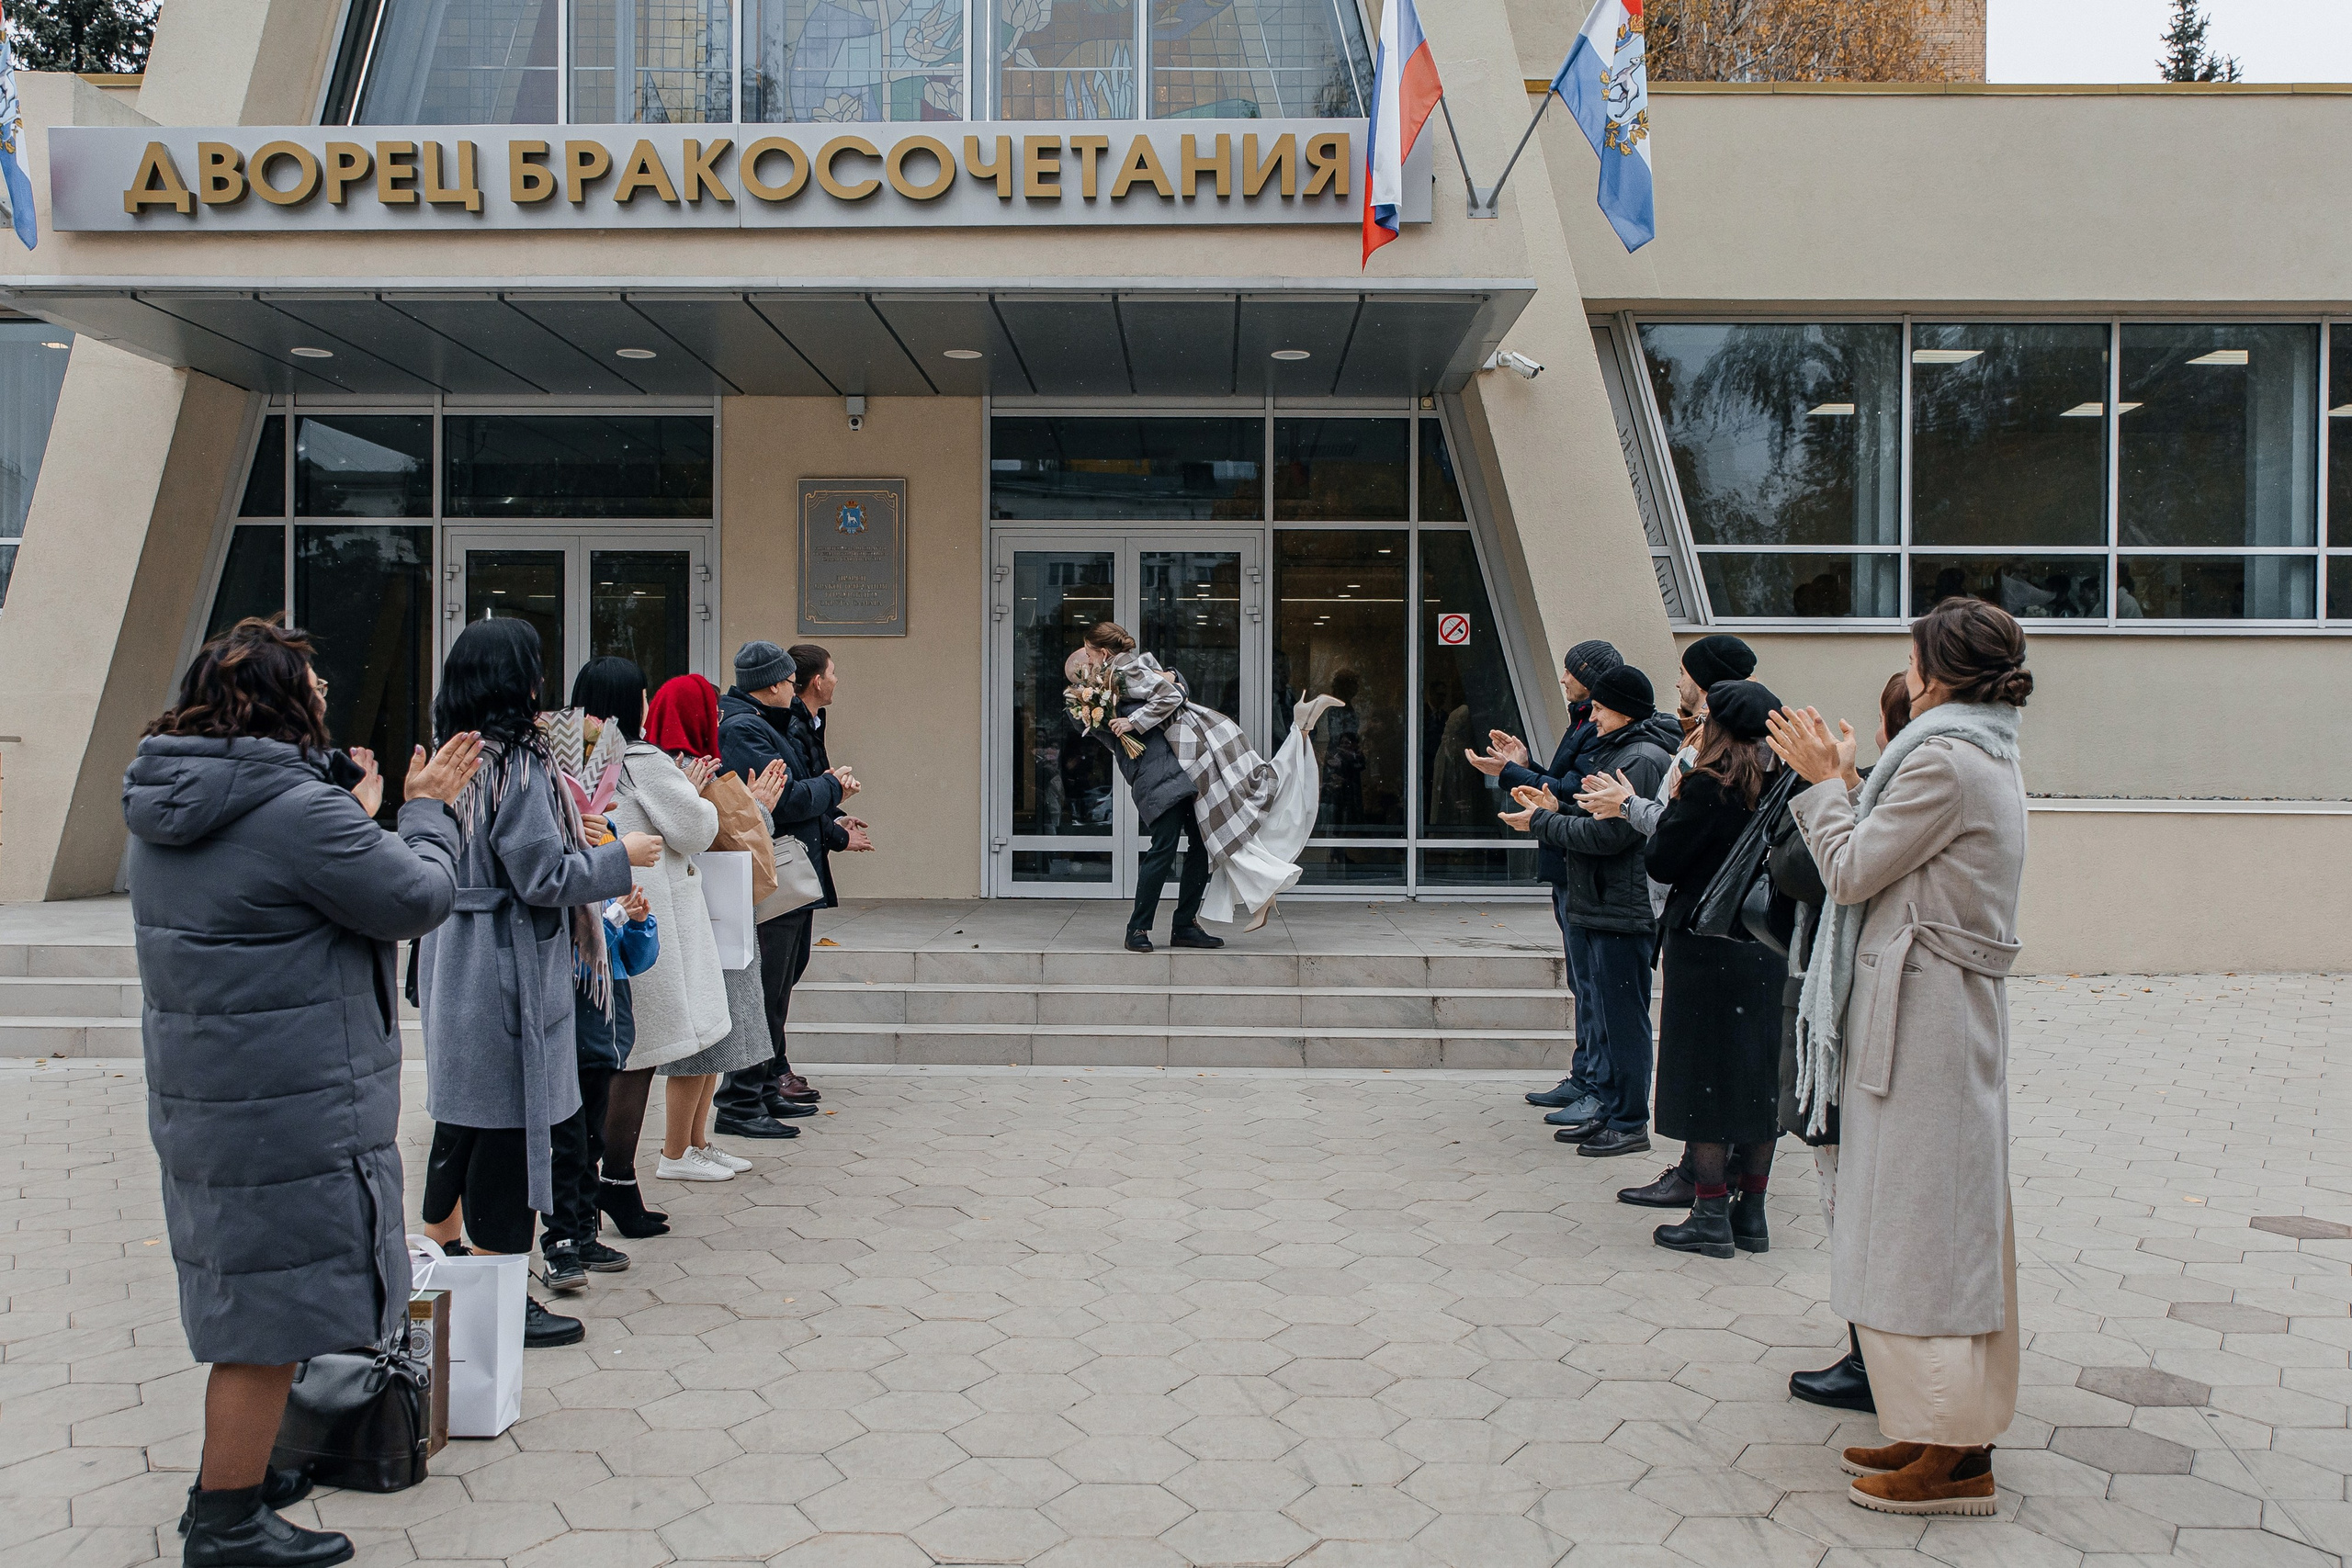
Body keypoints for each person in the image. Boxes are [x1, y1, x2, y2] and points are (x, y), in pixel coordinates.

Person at [125, 618, 480, 1568]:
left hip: (218, 1094)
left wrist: (349, 816)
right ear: (283, 703)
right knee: (268, 1321)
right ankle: (227, 1518)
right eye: (315, 686)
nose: (327, 697)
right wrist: (426, 812)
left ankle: (250, 1473)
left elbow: (284, 897)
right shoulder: (293, 811)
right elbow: (414, 898)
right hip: (291, 1098)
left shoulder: (178, 801)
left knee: (254, 1300)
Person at [1769, 599, 2031, 1517]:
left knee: (1928, 1233)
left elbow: (1847, 872)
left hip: (1928, 1019)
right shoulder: (1967, 750)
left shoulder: (1947, 761)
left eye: (1912, 656)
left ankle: (1959, 1455)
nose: (1905, 669)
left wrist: (1820, 782)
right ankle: (1934, 1427)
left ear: (1936, 670)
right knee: (1916, 1228)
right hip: (1920, 1010)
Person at [414, 619, 652, 1352]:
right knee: (511, 1147)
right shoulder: (518, 763)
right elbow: (541, 878)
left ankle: (448, 1269)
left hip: (453, 955)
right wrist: (620, 854)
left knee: (464, 1131)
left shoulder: (453, 757)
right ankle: (501, 1302)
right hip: (505, 969)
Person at [1576, 633, 1758, 1209]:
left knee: (1702, 1059)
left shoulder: (1710, 770)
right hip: (1739, 927)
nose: (1677, 682)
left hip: (1703, 924)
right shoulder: (1761, 762)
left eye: (1685, 671)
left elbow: (1669, 848)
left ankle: (1704, 1192)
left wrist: (1630, 807)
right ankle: (1743, 1201)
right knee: (1740, 1061)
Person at [1781, 670, 1912, 1416]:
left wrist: (1831, 784)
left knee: (1862, 1203)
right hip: (1854, 1020)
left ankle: (1874, 1359)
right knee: (1852, 1198)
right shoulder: (1895, 784)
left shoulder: (1921, 781)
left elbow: (1835, 872)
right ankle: (1868, 1351)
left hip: (1870, 1023)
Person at [1498, 663, 1677, 1159]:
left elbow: (1612, 834)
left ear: (1621, 709)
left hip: (1621, 906)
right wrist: (1555, 808)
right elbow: (1594, 813)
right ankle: (1610, 1108)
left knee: (1622, 1018)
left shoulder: (1640, 757)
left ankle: (1627, 1120)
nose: (1590, 717)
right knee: (1606, 1011)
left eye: (1598, 708)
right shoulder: (1618, 747)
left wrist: (1543, 822)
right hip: (1601, 901)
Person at [1641, 680, 1788, 1260]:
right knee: (1756, 1073)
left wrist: (1675, 801)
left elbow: (1662, 859)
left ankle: (1708, 1212)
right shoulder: (1788, 784)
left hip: (1706, 946)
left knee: (1704, 1070)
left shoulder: (1707, 785)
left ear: (1718, 726)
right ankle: (1752, 1213)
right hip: (1769, 942)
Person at [1071, 622, 1336, 945]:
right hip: (1158, 779)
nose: (1090, 662)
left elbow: (1173, 691)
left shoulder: (1130, 675)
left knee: (1201, 849)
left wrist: (1172, 680)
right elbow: (1113, 726)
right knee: (1164, 848)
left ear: (1102, 653)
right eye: (1083, 661)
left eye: (1089, 655)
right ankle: (1137, 929)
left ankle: (1184, 926)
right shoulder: (1087, 704)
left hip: (1193, 770)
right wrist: (1123, 704)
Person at [637, 673, 785, 1178]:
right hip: (701, 913)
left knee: (719, 1032)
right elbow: (701, 833)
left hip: (719, 912)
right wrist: (753, 805)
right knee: (700, 1039)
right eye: (710, 711)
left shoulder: (689, 766)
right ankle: (676, 1150)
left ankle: (697, 1141)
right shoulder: (667, 767)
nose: (718, 720)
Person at [1470, 639, 1623, 1121]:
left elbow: (1578, 792)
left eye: (1569, 671)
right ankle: (1584, 1076)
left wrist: (1516, 769)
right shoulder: (1584, 720)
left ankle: (1596, 1084)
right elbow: (1562, 785)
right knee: (1582, 982)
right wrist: (1521, 766)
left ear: (1589, 677)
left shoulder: (1602, 729)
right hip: (1566, 862)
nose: (1562, 678)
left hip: (1580, 864)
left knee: (1592, 984)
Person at [566, 658, 678, 1239]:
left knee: (605, 1066)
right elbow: (697, 826)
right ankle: (593, 1203)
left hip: (611, 919)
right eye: (642, 694)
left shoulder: (570, 762)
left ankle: (588, 1206)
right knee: (618, 1060)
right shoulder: (635, 760)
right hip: (612, 921)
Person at [714, 639, 844, 1136]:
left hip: (785, 870)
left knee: (777, 987)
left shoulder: (762, 722)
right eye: (789, 681)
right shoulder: (746, 727)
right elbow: (785, 798)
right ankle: (742, 1101)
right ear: (772, 683)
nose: (795, 689)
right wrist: (832, 786)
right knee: (763, 990)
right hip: (768, 875)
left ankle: (764, 1089)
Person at [541, 885, 659, 1292]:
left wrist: (642, 923)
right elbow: (577, 953)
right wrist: (617, 918)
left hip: (607, 1031)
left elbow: (635, 960)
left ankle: (586, 1237)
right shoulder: (569, 884)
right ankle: (560, 1242)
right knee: (568, 1144)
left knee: (593, 1140)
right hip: (574, 1027)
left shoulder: (610, 889)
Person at [774, 644, 873, 1077]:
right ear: (816, 680)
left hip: (807, 849)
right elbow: (797, 793)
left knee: (789, 969)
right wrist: (835, 832)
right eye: (833, 673)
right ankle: (771, 1070)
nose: (836, 680)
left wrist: (835, 818)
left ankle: (775, 1068)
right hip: (790, 858)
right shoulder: (793, 725)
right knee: (777, 975)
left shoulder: (812, 719)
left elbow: (819, 781)